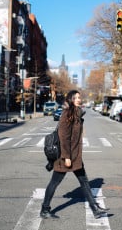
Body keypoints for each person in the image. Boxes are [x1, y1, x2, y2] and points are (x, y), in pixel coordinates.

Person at [40, 90, 109, 219]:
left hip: (75, 156)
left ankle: (95, 208)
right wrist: (66, 157)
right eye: (76, 97)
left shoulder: (76, 114)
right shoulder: (67, 114)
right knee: (54, 182)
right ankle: (45, 209)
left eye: (79, 97)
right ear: (70, 100)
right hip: (66, 156)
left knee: (84, 181)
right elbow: (64, 137)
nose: (79, 99)